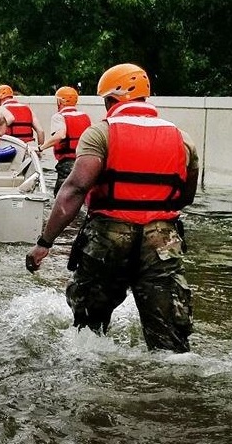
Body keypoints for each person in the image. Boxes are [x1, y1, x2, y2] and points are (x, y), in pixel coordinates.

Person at [26, 63, 200, 353]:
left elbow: (75, 189)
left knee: (88, 333)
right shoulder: (182, 138)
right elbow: (186, 197)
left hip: (108, 237)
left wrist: (45, 243)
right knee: (169, 344)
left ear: (110, 100)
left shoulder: (100, 134)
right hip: (163, 241)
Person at [37, 86, 93, 196]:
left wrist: (41, 148)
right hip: (84, 160)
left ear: (60, 101)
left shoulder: (59, 117)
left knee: (61, 195)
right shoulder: (85, 116)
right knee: (81, 193)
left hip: (68, 161)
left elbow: (60, 135)